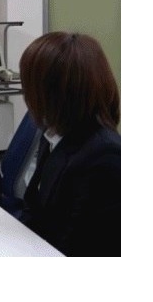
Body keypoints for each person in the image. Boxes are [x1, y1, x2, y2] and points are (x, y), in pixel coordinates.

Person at [19, 32, 120, 256]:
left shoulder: (105, 156)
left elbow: (76, 245)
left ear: (52, 93)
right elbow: (33, 208)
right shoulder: (54, 134)